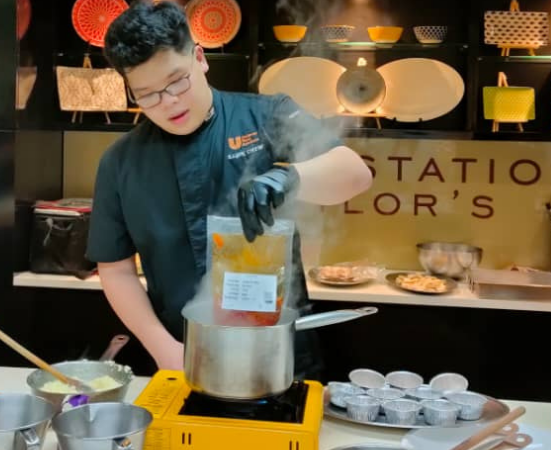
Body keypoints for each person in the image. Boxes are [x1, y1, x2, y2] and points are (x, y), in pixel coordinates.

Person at [86, 1, 372, 377]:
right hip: (181, 354)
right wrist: (165, 349)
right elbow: (116, 270)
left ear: (200, 58)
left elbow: (355, 174)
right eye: (148, 95)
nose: (168, 101)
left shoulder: (267, 116)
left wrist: (290, 178)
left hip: (280, 355)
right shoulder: (120, 162)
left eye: (176, 81)